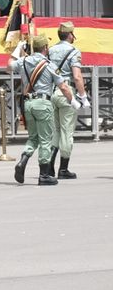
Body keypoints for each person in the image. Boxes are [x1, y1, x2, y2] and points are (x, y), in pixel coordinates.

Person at [14, 34, 72, 186]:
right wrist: (71, 100)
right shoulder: (49, 65)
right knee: (45, 139)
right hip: (43, 103)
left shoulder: (23, 61)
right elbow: (63, 86)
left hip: (28, 103)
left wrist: (17, 49)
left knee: (33, 137)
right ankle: (44, 175)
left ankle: (23, 160)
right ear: (46, 48)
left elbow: (8, 66)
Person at [48, 21, 88, 179]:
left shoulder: (50, 50)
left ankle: (49, 167)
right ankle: (63, 169)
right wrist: (83, 96)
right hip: (67, 92)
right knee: (67, 132)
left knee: (55, 131)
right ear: (71, 34)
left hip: (52, 91)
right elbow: (77, 76)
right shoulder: (73, 51)